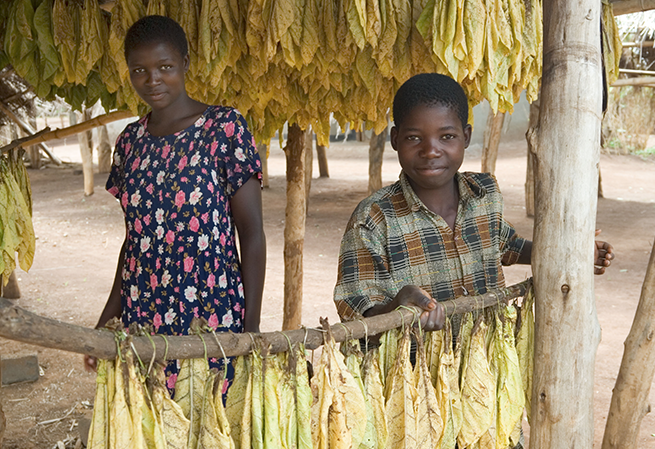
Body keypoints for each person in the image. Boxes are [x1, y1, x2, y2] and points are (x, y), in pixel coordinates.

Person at [333, 72, 614, 334]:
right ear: (395, 139)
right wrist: (399, 305)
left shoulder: (484, 194)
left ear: (466, 136)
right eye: (414, 138)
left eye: (447, 137)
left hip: (487, 356)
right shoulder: (373, 218)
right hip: (413, 374)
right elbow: (356, 315)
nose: (431, 151)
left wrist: (570, 252)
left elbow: (508, 246)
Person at [83, 15, 266, 392]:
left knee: (211, 424)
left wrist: (250, 329)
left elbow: (252, 234)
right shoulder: (129, 143)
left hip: (211, 317)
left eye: (164, 67)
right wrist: (106, 320)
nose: (152, 80)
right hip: (142, 315)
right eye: (140, 70)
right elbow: (134, 242)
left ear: (184, 63)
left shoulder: (224, 128)